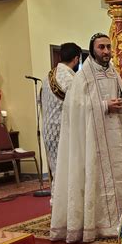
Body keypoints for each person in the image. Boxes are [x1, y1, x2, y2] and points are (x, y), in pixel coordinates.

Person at [50, 33, 122, 243]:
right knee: (96, 178)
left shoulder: (113, 73)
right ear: (92, 49)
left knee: (120, 178)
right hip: (94, 140)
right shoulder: (83, 76)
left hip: (116, 135)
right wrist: (103, 106)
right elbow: (74, 107)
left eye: (109, 47)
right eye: (101, 47)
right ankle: (96, 224)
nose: (106, 51)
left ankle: (121, 219)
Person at [41, 42, 81, 177]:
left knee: (55, 171)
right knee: (67, 173)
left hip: (48, 130)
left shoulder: (47, 77)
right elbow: (81, 104)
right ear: (76, 59)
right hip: (63, 131)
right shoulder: (71, 79)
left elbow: (40, 100)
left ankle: (55, 197)